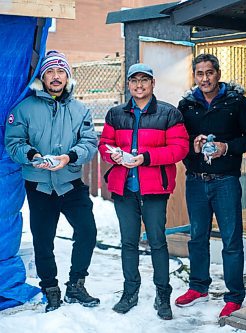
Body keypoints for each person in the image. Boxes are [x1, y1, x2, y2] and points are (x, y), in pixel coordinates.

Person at [4, 50, 100, 312]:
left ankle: (76, 285)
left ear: (68, 76)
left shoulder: (80, 109)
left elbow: (90, 142)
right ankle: (50, 287)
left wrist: (70, 157)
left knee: (88, 231)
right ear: (42, 76)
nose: (56, 77)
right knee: (43, 238)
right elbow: (13, 143)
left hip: (71, 183)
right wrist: (33, 155)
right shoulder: (24, 108)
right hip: (40, 185)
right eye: (50, 72)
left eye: (61, 72)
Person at [174, 54, 246, 318]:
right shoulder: (186, 106)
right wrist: (193, 145)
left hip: (225, 182)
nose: (205, 78)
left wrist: (227, 147)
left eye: (209, 73)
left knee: (231, 240)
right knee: (197, 238)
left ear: (218, 73)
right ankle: (198, 287)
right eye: (199, 73)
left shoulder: (237, 103)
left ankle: (234, 296)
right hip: (196, 181)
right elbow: (179, 141)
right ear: (194, 75)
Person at [98, 63, 189, 320]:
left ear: (152, 84)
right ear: (128, 84)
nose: (139, 85)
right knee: (128, 242)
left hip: (154, 189)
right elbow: (104, 144)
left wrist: (145, 158)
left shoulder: (169, 113)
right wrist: (114, 155)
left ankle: (163, 294)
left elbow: (179, 148)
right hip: (124, 189)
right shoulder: (116, 114)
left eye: (144, 80)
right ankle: (130, 291)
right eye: (134, 80)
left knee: (158, 242)